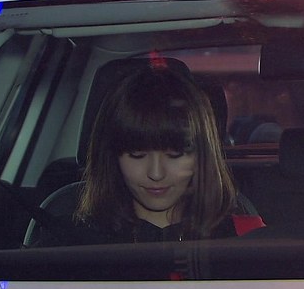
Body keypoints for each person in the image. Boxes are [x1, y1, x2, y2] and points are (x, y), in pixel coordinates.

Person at [72, 61, 264, 243]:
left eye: (175, 154)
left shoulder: (246, 238)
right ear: (113, 156)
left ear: (201, 156)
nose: (156, 173)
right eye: (137, 154)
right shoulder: (72, 244)